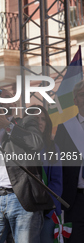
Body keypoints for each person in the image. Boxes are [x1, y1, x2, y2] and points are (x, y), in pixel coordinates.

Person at [0, 88, 54, 243]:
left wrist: (7, 125)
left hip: (21, 199)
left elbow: (36, 142)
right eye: (0, 97)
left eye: (9, 97)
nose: (5, 100)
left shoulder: (27, 122)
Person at [26, 105, 62, 242]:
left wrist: (46, 206)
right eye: (35, 118)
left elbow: (57, 182)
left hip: (47, 212)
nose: (40, 122)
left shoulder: (52, 148)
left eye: (43, 119)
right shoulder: (19, 146)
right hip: (25, 210)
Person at [54, 80, 84, 243]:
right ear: (75, 100)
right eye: (82, 95)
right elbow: (59, 166)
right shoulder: (65, 128)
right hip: (75, 198)